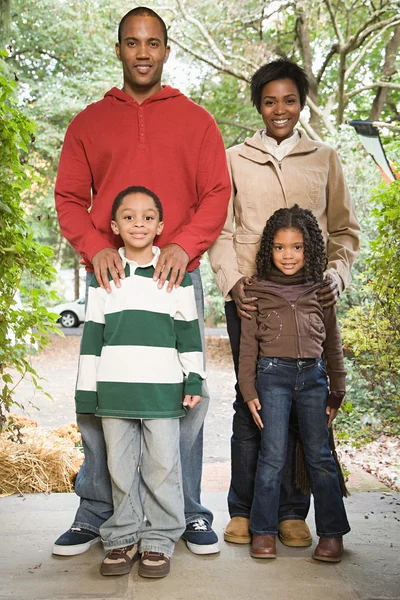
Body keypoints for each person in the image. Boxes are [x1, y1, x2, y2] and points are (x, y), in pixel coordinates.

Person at [53, 6, 230, 557]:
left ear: (167, 49)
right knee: (103, 395)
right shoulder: (88, 121)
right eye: (133, 42)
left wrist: (183, 243)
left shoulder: (197, 119)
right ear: (119, 49)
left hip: (176, 279)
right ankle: (97, 511)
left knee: (187, 397)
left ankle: (188, 511)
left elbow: (217, 194)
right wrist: (94, 246)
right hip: (110, 281)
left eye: (153, 42)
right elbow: (67, 198)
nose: (144, 52)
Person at [209, 58, 359, 547]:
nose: (280, 109)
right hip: (253, 301)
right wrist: (234, 284)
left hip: (308, 302)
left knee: (304, 407)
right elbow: (222, 231)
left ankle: (294, 512)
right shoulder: (235, 158)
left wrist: (336, 275)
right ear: (258, 104)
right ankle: (244, 509)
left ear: (302, 103)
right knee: (250, 397)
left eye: (289, 100)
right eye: (270, 100)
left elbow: (343, 230)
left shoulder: (325, 158)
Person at [75, 186, 205, 578]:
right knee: (119, 466)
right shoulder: (104, 276)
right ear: (114, 225)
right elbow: (92, 336)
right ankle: (122, 537)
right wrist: (86, 389)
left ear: (161, 226)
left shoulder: (175, 277)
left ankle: (160, 539)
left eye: (148, 217)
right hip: (114, 390)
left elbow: (189, 333)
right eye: (129, 217)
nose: (139, 223)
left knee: (162, 465)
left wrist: (194, 379)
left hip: (162, 391)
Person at [238, 204, 351, 561]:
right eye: (281, 247)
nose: (289, 255)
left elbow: (332, 340)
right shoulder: (256, 290)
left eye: (297, 247)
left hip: (315, 379)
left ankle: (331, 534)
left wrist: (337, 388)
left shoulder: (322, 289)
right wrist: (249, 390)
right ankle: (264, 530)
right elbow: (247, 347)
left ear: (310, 249)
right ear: (269, 248)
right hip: (272, 378)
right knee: (271, 456)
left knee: (319, 456)